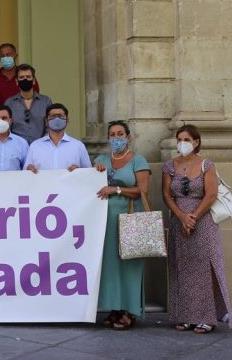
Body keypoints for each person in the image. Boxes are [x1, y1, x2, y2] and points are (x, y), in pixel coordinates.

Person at [162, 124, 232, 333]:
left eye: (187, 139)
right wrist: (181, 217)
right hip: (178, 221)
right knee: (181, 268)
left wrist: (192, 218)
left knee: (204, 268)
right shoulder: (169, 166)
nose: (182, 143)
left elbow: (211, 194)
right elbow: (166, 195)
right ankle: (184, 315)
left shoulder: (206, 165)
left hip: (203, 222)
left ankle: (206, 317)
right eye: (179, 139)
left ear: (196, 142)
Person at [92, 120, 150, 330]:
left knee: (129, 264)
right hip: (106, 219)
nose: (116, 138)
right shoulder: (100, 160)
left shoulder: (138, 160)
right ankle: (114, 308)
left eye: (120, 134)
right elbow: (89, 184)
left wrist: (116, 190)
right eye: (112, 135)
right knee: (110, 265)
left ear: (128, 137)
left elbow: (142, 191)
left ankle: (129, 310)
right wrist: (94, 172)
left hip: (130, 216)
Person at [24, 103, 91, 172]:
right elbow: (26, 172)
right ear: (46, 121)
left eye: (60, 116)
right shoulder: (35, 146)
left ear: (67, 120)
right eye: (53, 116)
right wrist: (29, 170)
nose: (57, 119)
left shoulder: (78, 146)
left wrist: (79, 171)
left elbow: (88, 173)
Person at [4, 63, 52, 144]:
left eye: (28, 77)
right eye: (21, 77)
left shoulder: (46, 101)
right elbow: (6, 129)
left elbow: (50, 127)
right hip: (16, 147)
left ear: (34, 81)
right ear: (17, 81)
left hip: (41, 147)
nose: (25, 79)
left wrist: (40, 145)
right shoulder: (9, 103)